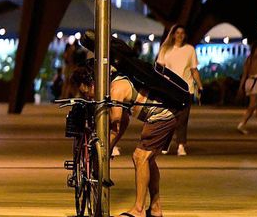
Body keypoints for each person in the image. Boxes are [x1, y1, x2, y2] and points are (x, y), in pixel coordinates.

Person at [72, 64, 180, 217]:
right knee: (148, 160)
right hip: (168, 111)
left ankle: (139, 210)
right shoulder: (116, 84)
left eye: (87, 93)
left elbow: (115, 121)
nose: (88, 97)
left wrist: (102, 148)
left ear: (93, 84)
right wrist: (107, 149)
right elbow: (122, 123)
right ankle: (156, 208)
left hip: (162, 115)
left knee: (140, 157)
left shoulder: (116, 89)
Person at [155, 24, 202, 156]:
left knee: (182, 119)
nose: (180, 35)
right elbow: (160, 69)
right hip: (170, 89)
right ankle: (166, 143)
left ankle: (181, 145)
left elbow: (194, 69)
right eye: (177, 33)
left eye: (182, 33)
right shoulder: (165, 49)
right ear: (173, 34)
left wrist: (200, 86)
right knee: (168, 117)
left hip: (186, 89)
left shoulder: (190, 49)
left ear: (185, 35)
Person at [237, 41, 257, 134]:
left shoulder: (248, 59)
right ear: (256, 49)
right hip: (256, 82)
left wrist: (241, 87)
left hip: (249, 82)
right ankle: (241, 124)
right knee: (252, 105)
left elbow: (244, 74)